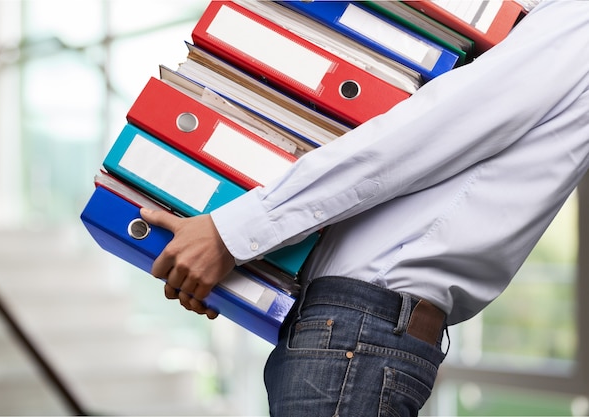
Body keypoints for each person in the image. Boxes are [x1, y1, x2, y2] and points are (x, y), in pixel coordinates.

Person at [139, 1, 589, 415]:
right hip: (348, 327)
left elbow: (416, 136)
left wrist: (231, 235)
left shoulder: (575, 20)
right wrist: (242, 270)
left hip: (361, 331)